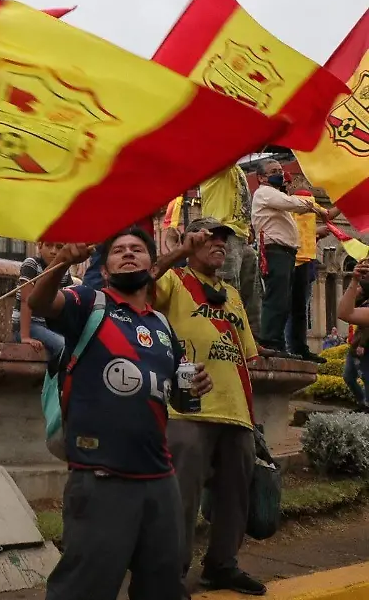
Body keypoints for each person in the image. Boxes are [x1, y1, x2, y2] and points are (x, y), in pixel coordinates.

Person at [29, 227, 213, 600]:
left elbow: (174, 395)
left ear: (150, 264)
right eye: (118, 251)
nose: (128, 254)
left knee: (163, 587)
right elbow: (41, 303)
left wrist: (195, 386)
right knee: (84, 589)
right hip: (101, 480)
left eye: (137, 250)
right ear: (107, 270)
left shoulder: (162, 327)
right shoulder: (89, 304)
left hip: (161, 482)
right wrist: (64, 260)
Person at [154, 218, 266, 596]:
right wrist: (179, 252)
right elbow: (142, 287)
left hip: (237, 410)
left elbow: (247, 355)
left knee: (236, 495)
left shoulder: (232, 295)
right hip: (189, 409)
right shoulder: (174, 280)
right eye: (209, 238)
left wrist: (253, 414)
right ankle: (169, 573)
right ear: (190, 241)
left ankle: (222, 564)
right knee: (181, 497)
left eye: (223, 240)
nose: (219, 244)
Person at [251, 159, 326, 358]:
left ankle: (279, 344)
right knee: (276, 299)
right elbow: (293, 203)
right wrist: (313, 205)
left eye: (280, 170)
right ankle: (270, 343)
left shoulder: (276, 195)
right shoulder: (265, 193)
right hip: (274, 251)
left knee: (285, 301)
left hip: (285, 252)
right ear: (261, 178)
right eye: (274, 171)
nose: (280, 174)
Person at [200, 165, 261, 336]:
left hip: (241, 236)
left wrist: (248, 230)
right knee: (228, 286)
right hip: (223, 233)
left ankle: (252, 338)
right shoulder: (218, 162)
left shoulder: (237, 169)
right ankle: (227, 334)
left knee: (252, 292)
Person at [285, 185, 338, 361]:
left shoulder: (307, 204)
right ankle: (290, 347)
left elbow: (327, 215)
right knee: (291, 308)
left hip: (307, 261)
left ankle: (298, 347)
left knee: (300, 308)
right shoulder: (288, 206)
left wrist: (345, 203)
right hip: (292, 261)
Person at [14, 242, 71, 366]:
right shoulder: (31, 264)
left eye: (59, 247)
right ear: (40, 246)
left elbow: (68, 302)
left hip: (50, 325)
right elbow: (26, 301)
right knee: (63, 345)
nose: (53, 251)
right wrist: (25, 336)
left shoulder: (63, 270)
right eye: (49, 245)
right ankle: (54, 380)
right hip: (30, 325)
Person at [337, 265, 369, 413]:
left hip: (364, 347)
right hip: (358, 346)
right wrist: (355, 280)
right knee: (349, 376)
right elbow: (344, 313)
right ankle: (364, 404)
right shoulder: (364, 296)